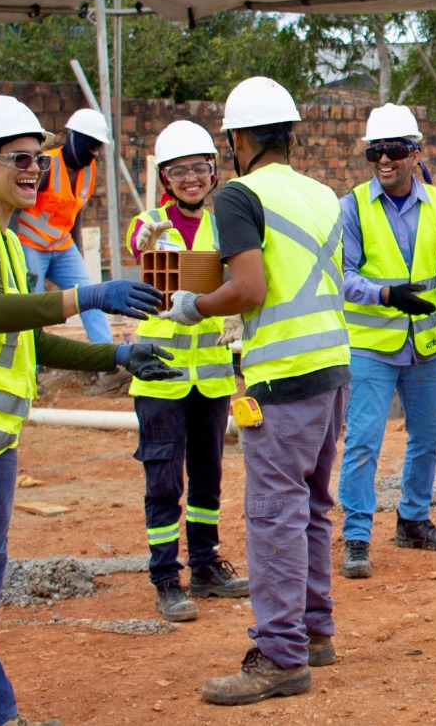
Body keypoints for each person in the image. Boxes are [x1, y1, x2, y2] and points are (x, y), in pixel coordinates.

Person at [0, 95, 178, 726]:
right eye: (19, 159)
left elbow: (20, 338)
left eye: (38, 161)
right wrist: (88, 293)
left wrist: (115, 358)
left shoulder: (7, 240)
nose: (34, 171)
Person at [159, 77, 350, 706]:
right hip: (332, 368)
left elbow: (249, 289)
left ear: (238, 139)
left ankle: (279, 654)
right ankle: (314, 633)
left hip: (284, 379)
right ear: (291, 134)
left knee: (274, 517)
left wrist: (195, 307)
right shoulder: (324, 194)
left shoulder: (238, 196)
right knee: (314, 507)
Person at [337, 103, 436, 576]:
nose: (383, 161)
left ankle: (413, 520)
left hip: (422, 346)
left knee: (429, 435)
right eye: (375, 152)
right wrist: (387, 295)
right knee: (364, 442)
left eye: (394, 150)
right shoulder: (352, 206)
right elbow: (343, 277)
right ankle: (356, 535)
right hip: (370, 346)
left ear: (416, 153)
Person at [124, 120, 248, 622]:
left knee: (207, 477)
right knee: (162, 480)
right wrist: (149, 241)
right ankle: (165, 577)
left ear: (214, 173)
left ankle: (204, 565)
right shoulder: (150, 222)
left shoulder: (225, 227)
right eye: (180, 171)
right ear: (165, 178)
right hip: (162, 375)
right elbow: (139, 243)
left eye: (200, 168)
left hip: (213, 376)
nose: (192, 178)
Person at [15, 108, 113, 343]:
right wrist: (10, 246)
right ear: (73, 138)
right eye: (91, 146)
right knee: (32, 309)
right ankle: (32, 370)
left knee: (91, 297)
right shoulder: (45, 165)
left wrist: (76, 249)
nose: (95, 153)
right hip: (31, 246)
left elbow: (76, 210)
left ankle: (108, 361)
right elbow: (15, 204)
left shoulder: (89, 170)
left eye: (98, 147)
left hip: (62, 248)